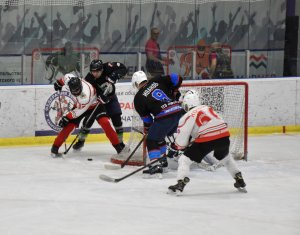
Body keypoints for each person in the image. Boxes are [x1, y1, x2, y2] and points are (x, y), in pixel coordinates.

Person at [167, 89, 246, 194]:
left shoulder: (187, 115)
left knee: (184, 160)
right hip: (224, 136)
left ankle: (180, 183)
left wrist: (175, 147)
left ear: (186, 104)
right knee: (225, 157)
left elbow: (181, 140)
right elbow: (222, 123)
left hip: (206, 140)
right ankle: (238, 178)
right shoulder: (208, 108)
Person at [51, 73, 125, 157]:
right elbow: (66, 76)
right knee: (69, 125)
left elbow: (79, 111)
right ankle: (55, 148)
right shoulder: (69, 80)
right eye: (74, 91)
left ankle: (119, 149)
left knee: (105, 123)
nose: (76, 93)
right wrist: (59, 83)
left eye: (78, 90)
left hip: (95, 105)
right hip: (79, 105)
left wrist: (67, 117)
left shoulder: (85, 95)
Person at [131, 70, 182, 177]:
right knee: (159, 137)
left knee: (151, 139)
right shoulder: (156, 80)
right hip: (179, 113)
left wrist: (147, 131)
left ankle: (155, 165)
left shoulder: (138, 99)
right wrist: (175, 90)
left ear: (136, 84)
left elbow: (148, 120)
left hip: (165, 117)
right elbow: (176, 77)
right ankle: (163, 163)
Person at [72, 59, 128, 151]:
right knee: (88, 120)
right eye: (93, 71)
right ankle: (81, 141)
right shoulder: (88, 79)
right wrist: (95, 98)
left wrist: (115, 75)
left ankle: (120, 142)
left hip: (111, 97)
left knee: (117, 118)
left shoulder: (108, 67)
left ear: (102, 69)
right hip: (97, 100)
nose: (95, 74)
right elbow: (87, 93)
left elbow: (123, 68)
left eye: (97, 71)